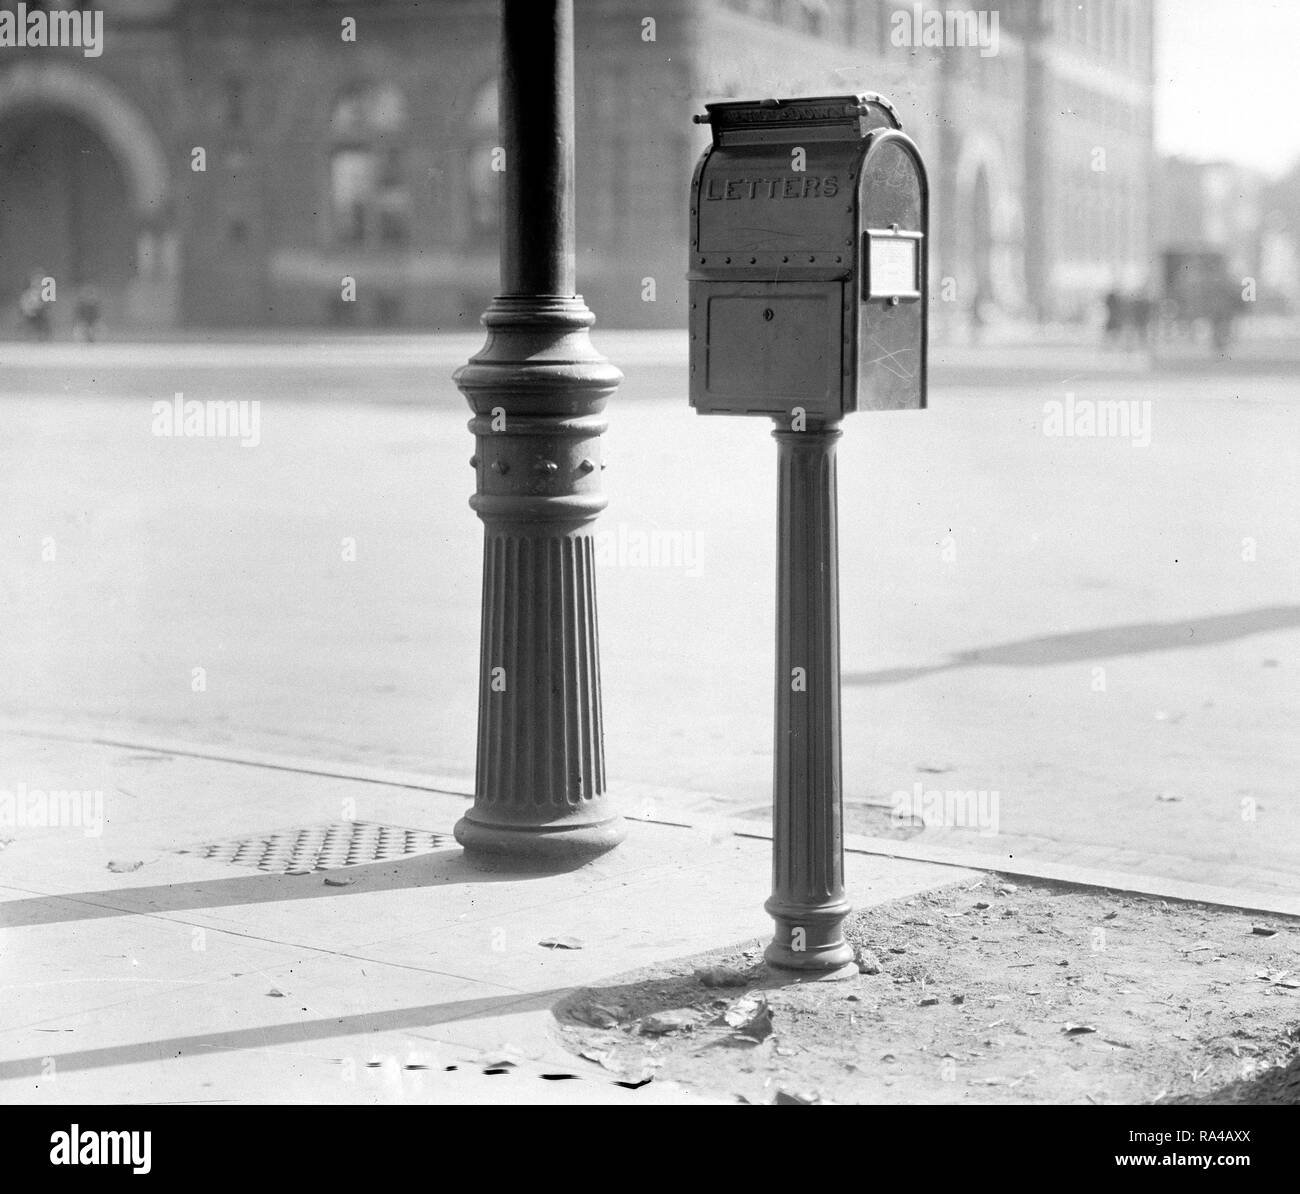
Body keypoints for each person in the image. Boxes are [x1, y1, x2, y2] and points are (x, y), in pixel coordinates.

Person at [18, 270, 52, 341]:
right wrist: (29, 309)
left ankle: (41, 337)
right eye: (37, 281)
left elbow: (46, 306)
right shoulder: (28, 293)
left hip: (40, 315)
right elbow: (24, 304)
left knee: (42, 320)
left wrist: (41, 306)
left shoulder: (44, 294)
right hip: (30, 315)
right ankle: (31, 336)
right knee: (32, 320)